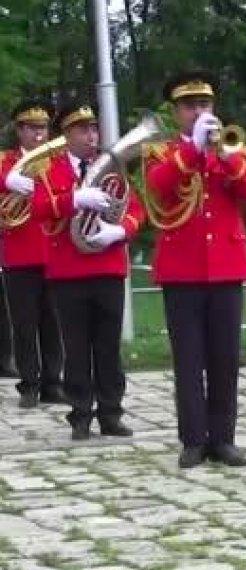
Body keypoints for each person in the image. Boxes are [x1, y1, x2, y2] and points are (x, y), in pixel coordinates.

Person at [144, 70, 246, 468]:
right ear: (176, 112)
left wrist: (228, 160)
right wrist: (192, 152)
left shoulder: (233, 148)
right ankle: (193, 439)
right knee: (189, 359)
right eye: (190, 106)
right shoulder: (161, 153)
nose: (199, 112)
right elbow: (158, 187)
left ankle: (224, 438)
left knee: (225, 358)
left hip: (226, 265)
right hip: (182, 268)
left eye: (205, 104)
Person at [31, 101, 142, 440]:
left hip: (108, 267)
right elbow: (36, 208)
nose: (92, 135)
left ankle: (111, 413)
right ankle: (80, 414)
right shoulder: (49, 170)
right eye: (83, 130)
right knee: (76, 348)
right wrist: (74, 201)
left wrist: (121, 230)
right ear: (66, 135)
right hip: (67, 272)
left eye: (94, 128)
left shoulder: (111, 167)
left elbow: (135, 208)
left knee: (108, 347)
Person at [0, 99, 66, 408]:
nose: (40, 135)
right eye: (33, 129)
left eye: (43, 128)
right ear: (20, 130)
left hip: (52, 252)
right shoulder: (6, 160)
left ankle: (53, 383)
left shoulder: (57, 161)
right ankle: (29, 384)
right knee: (24, 323)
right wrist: (9, 179)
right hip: (19, 254)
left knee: (53, 322)